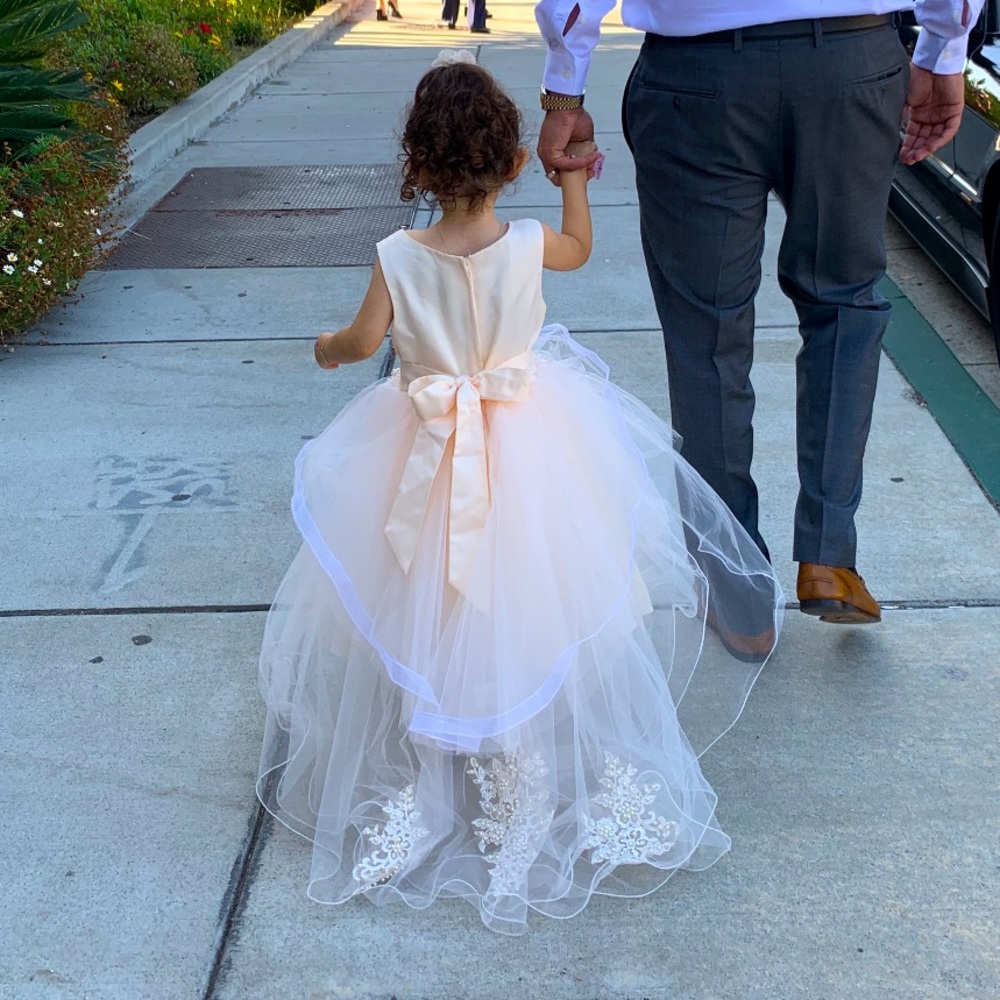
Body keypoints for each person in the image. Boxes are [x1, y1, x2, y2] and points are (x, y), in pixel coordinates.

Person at [256, 52, 783, 936]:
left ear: (416, 166)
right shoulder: (532, 243)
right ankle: (523, 760)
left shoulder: (397, 255)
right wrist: (571, 176)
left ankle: (438, 757)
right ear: (508, 162)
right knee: (533, 589)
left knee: (420, 590)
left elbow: (359, 341)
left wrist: (324, 349)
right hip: (534, 440)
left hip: (425, 442)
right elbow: (578, 246)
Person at [535, 0, 985, 632]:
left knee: (705, 329)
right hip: (850, 61)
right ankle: (829, 559)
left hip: (696, 75)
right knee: (844, 302)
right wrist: (943, 46)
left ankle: (737, 590)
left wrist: (564, 90)